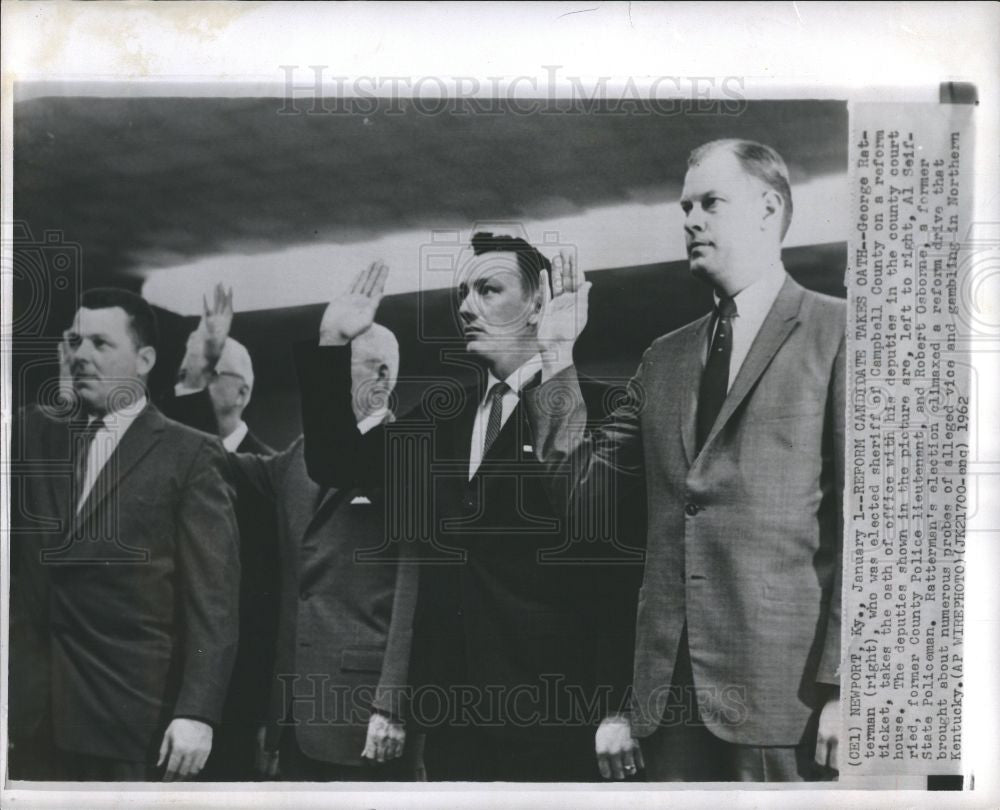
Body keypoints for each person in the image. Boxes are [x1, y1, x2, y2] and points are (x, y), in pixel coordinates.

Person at [525, 139, 845, 782]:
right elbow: (585, 501)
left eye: (710, 203)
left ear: (768, 208)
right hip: (666, 704)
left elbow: (875, 527)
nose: (691, 220)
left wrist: (846, 686)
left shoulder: (840, 331)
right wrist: (556, 358)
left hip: (791, 703)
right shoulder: (662, 358)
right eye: (685, 207)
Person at [295, 236, 643, 782]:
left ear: (537, 304)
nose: (464, 306)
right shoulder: (439, 419)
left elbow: (617, 571)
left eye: (488, 289)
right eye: (462, 292)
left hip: (560, 715)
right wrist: (329, 342)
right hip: (455, 718)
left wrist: (618, 704)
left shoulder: (603, 408)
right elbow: (339, 462)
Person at [174, 293, 418, 782]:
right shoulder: (298, 458)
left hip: (367, 715)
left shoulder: (409, 452)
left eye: (342, 358)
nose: (330, 373)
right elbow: (206, 461)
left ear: (383, 377)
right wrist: (195, 377)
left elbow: (414, 592)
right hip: (293, 714)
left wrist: (392, 703)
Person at [8, 287, 240, 781]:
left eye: (100, 343)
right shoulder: (33, 433)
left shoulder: (189, 454)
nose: (81, 355)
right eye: (74, 341)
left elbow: (213, 601)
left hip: (130, 719)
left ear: (145, 359)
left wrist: (197, 711)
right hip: (29, 716)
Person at [174, 287, 280, 780]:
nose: (194, 380)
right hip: (170, 682)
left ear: (242, 392)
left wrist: (264, 713)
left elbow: (271, 603)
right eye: (187, 372)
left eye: (211, 372)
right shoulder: (169, 462)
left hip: (239, 697)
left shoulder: (272, 475)